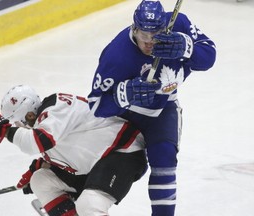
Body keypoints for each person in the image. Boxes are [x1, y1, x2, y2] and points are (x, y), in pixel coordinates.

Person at [87, 0, 216, 215]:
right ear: (134, 28)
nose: (148, 42)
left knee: (164, 158)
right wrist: (124, 94)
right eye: (143, 35)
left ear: (165, 28)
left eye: (155, 35)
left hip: (163, 110)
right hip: (126, 116)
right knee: (102, 165)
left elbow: (209, 57)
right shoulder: (117, 54)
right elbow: (96, 104)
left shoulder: (180, 25)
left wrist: (187, 48)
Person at [0, 84, 147, 216]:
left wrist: (4, 131)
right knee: (40, 180)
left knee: (89, 204)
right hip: (98, 163)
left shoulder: (56, 108)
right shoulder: (45, 123)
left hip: (124, 152)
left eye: (18, 122)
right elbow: (68, 147)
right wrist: (44, 166)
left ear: (29, 116)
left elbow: (37, 141)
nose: (19, 127)